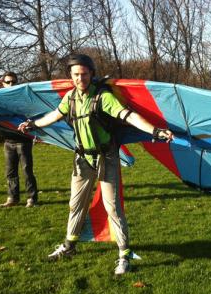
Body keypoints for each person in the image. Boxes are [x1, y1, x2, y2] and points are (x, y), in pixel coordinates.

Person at [18, 54, 174, 275]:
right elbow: (54, 116)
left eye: (84, 74)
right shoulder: (69, 98)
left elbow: (129, 116)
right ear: (70, 76)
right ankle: (69, 246)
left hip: (106, 157)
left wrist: (155, 131)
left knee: (112, 207)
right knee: (76, 204)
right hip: (82, 159)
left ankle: (124, 254)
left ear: (91, 74)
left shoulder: (103, 97)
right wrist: (32, 124)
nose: (80, 78)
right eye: (76, 75)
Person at [0, 72, 39, 208]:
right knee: (10, 172)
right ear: (2, 84)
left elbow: (33, 114)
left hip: (23, 141)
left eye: (13, 82)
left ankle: (31, 199)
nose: (11, 84)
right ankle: (12, 198)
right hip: (8, 142)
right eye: (8, 82)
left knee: (27, 171)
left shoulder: (23, 99)